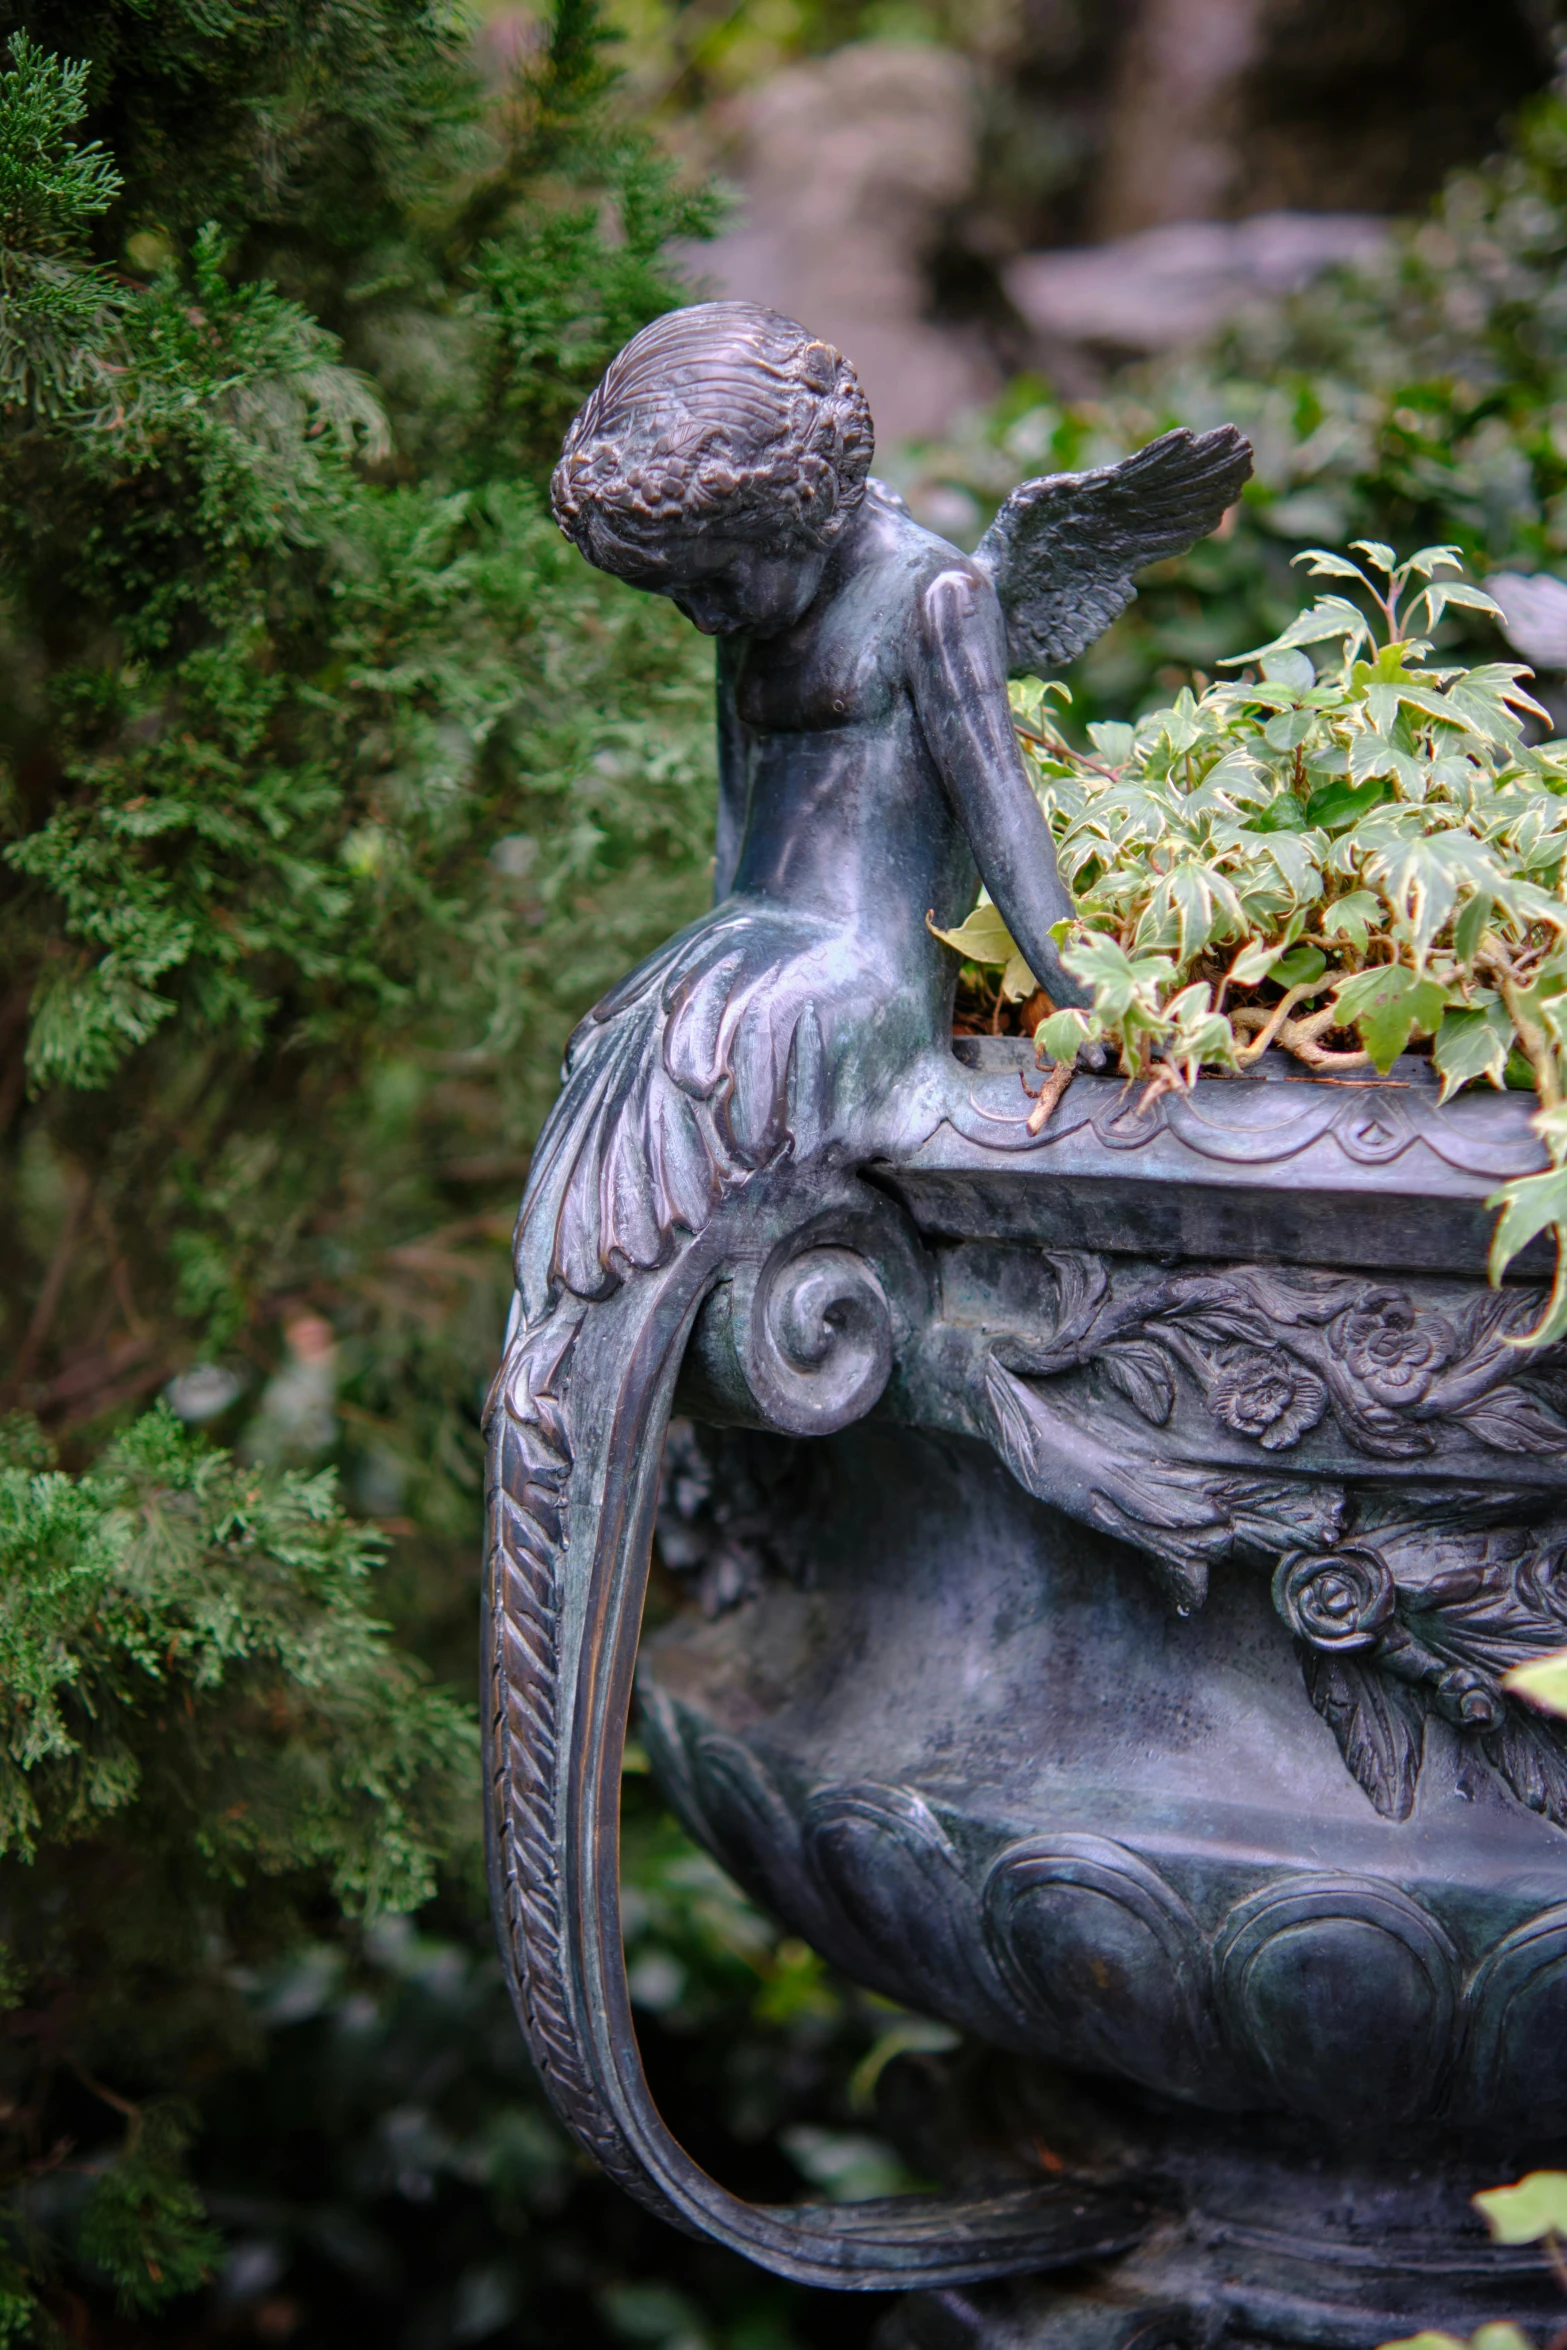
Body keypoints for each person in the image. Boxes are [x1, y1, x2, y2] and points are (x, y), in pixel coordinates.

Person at [519, 299, 1085, 1312]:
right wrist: (688, 966)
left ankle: (649, 1303)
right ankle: (609, 1326)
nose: (702, 614)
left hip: (865, 963)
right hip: (753, 939)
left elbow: (1004, 818)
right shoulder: (747, 614)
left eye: (714, 582)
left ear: (793, 507)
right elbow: (737, 825)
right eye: (678, 596)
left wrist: (1093, 996)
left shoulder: (933, 595)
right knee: (608, 1039)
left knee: (724, 1049)